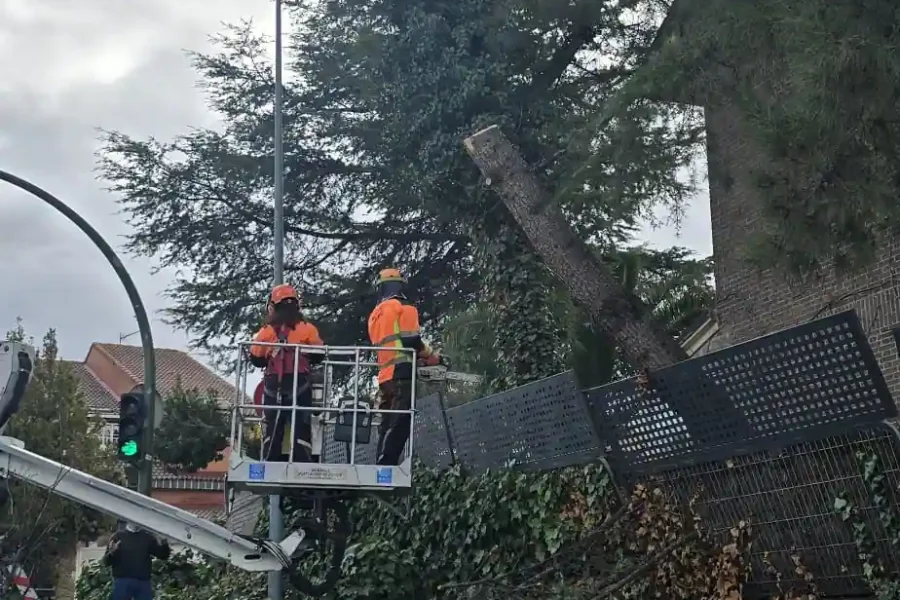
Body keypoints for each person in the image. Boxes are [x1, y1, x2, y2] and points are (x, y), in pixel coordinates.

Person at [367, 268, 441, 466]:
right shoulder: (405, 307)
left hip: (384, 375)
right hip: (401, 371)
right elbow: (411, 340)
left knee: (387, 421)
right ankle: (388, 461)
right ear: (400, 286)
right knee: (402, 419)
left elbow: (392, 344)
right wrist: (430, 355)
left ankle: (380, 461)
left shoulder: (375, 315)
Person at [249, 283, 325, 462]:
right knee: (301, 426)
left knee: (273, 426)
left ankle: (270, 461)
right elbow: (319, 354)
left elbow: (256, 358)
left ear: (273, 306)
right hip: (300, 385)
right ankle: (303, 463)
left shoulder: (266, 332)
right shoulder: (307, 329)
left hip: (273, 385)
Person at [104, 522, 170, 600]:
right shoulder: (117, 536)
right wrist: (111, 553)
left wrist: (164, 543)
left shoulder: (147, 537)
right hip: (122, 581)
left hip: (143, 582)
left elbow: (163, 555)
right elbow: (106, 562)